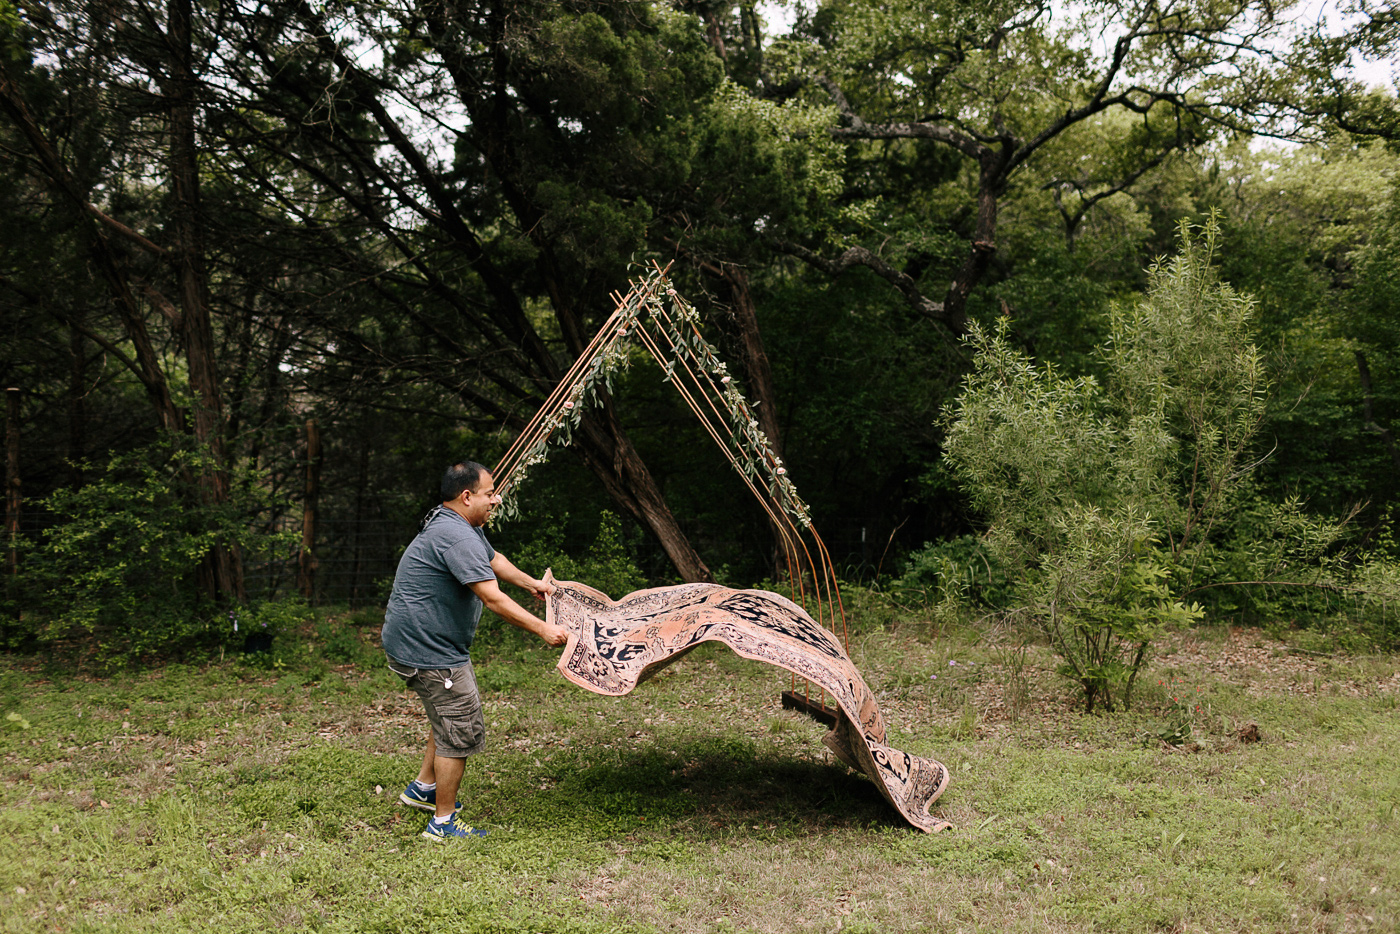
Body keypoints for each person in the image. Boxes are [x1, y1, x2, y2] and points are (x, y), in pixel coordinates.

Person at [381, 460, 569, 843]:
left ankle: (423, 789)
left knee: (447, 715)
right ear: (467, 496)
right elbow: (491, 597)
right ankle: (443, 823)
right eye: (489, 493)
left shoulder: (455, 522)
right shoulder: (458, 536)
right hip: (429, 651)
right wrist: (543, 629)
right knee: (460, 728)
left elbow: (493, 561)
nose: (496, 499)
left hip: (418, 643)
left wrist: (533, 583)